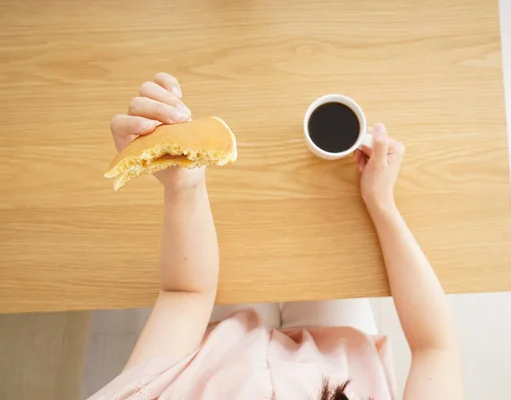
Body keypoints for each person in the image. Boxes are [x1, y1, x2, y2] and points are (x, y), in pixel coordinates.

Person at [90, 73, 463, 400]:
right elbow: (435, 348)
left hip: (217, 346)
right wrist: (381, 203)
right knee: (328, 248)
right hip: (340, 354)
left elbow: (184, 293)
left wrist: (183, 184)